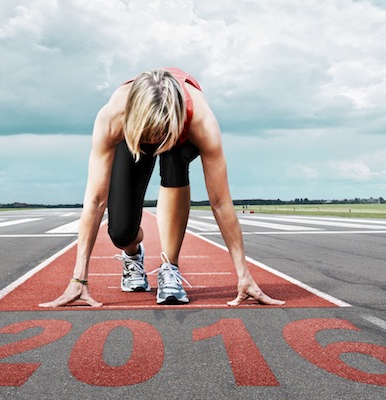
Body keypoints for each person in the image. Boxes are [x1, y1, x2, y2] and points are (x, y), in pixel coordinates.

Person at [39, 67, 284, 307]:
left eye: (161, 135)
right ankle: (133, 254)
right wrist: (78, 279)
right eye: (152, 136)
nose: (157, 143)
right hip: (135, 132)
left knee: (174, 160)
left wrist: (244, 276)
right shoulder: (113, 117)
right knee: (121, 232)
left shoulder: (201, 120)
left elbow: (220, 202)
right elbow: (95, 200)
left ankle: (170, 268)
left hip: (180, 132)